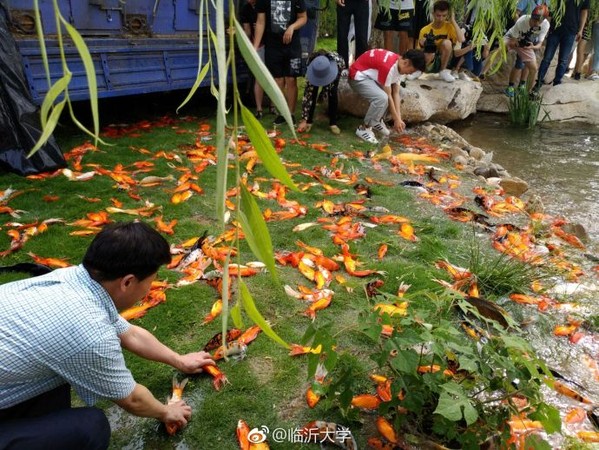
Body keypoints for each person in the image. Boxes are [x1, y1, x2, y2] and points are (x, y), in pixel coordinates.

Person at [0, 222, 215, 449]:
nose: (149, 289)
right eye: (150, 282)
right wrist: (166, 411)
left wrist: (179, 360)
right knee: (90, 427)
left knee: (55, 380)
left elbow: (129, 333)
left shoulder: (73, 279)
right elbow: (132, 398)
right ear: (128, 282)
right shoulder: (90, 333)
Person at [349, 48, 426, 144]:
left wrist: (399, 118)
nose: (410, 73)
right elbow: (388, 95)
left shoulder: (399, 63)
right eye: (411, 71)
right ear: (406, 62)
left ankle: (377, 120)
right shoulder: (389, 67)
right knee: (382, 98)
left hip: (371, 78)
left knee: (400, 92)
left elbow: (396, 93)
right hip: (358, 77)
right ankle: (364, 128)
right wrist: (396, 119)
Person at [254, 0, 307, 125]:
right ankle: (283, 113)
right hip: (272, 45)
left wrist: (292, 27)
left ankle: (291, 114)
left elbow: (303, 18)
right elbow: (261, 22)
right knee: (277, 80)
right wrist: (255, 47)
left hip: (292, 45)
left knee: (290, 79)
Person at [536, 0, 590, 88]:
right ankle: (538, 83)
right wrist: (546, 28)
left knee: (563, 60)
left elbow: (584, 12)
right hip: (554, 29)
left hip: (571, 31)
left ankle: (557, 83)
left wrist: (580, 30)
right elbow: (550, 9)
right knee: (546, 58)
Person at [504, 4, 550, 95]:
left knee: (530, 66)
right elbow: (513, 38)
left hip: (530, 43)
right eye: (534, 20)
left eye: (538, 21)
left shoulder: (545, 25)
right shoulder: (523, 20)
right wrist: (516, 44)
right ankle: (510, 87)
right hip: (516, 38)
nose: (536, 23)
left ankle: (524, 88)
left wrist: (532, 47)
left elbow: (540, 43)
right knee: (519, 64)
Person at [297, 50, 346, 134]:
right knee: (312, 93)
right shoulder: (310, 64)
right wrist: (304, 118)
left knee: (332, 93)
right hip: (315, 74)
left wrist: (323, 93)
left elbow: (332, 86)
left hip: (331, 72)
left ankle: (333, 123)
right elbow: (307, 96)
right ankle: (309, 121)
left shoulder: (339, 62)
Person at [417, 0, 465, 83]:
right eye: (438, 15)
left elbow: (461, 39)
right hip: (429, 60)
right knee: (428, 46)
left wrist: (453, 20)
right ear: (433, 13)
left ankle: (443, 71)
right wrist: (423, 44)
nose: (441, 19)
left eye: (444, 15)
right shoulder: (424, 30)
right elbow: (418, 51)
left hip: (444, 60)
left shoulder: (449, 27)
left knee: (447, 43)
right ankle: (418, 70)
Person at [241, 0, 267, 118]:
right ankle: (259, 109)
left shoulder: (265, 4)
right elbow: (247, 31)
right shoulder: (246, 9)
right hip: (258, 45)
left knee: (274, 76)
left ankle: (273, 106)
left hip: (271, 44)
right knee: (259, 76)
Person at [336, 0, 370, 67]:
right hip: (344, 2)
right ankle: (342, 67)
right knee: (341, 36)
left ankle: (360, 69)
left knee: (362, 38)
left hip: (362, 3)